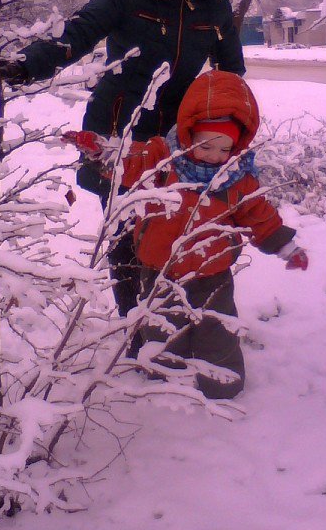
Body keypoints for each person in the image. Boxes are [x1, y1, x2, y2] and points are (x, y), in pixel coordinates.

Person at [0, 0, 245, 350]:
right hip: (119, 132)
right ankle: (136, 331)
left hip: (180, 140)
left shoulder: (215, 6)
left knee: (178, 227)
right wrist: (28, 64)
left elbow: (231, 75)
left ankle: (178, 323)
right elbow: (79, 32)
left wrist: (229, 126)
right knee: (130, 232)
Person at [63, 70, 309, 400]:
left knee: (216, 329)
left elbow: (260, 216)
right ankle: (163, 380)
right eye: (207, 145)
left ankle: (221, 383)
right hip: (159, 270)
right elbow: (128, 159)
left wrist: (287, 247)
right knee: (162, 328)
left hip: (213, 274)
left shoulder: (236, 177)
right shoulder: (162, 158)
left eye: (225, 148)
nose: (215, 156)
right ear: (190, 133)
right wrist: (100, 150)